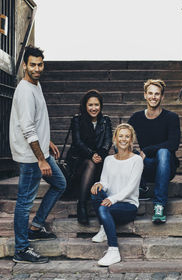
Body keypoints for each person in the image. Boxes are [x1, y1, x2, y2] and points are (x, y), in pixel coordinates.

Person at [9, 45, 66, 264]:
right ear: (25, 65)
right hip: (32, 157)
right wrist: (41, 158)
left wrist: (47, 140)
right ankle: (21, 249)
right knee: (24, 202)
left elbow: (36, 121)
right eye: (32, 64)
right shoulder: (24, 90)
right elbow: (27, 128)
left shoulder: (36, 84)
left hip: (39, 150)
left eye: (40, 64)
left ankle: (35, 226)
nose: (36, 68)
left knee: (60, 183)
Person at [128, 79, 180, 224]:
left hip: (166, 167)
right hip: (146, 167)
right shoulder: (136, 117)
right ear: (145, 95)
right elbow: (122, 137)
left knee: (163, 152)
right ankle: (140, 184)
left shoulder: (171, 117)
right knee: (125, 148)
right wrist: (136, 154)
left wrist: (146, 150)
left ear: (162, 97)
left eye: (157, 94)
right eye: (150, 93)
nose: (153, 97)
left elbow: (173, 144)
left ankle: (159, 206)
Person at [91, 123, 143, 266]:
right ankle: (104, 228)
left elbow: (130, 188)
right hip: (111, 202)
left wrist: (112, 199)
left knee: (103, 208)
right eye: (121, 136)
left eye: (127, 136)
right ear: (115, 138)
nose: (123, 139)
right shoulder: (108, 160)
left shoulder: (136, 160)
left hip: (127, 206)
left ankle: (113, 251)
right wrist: (99, 184)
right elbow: (105, 182)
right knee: (95, 190)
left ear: (131, 139)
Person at [66, 89, 112, 225]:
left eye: (96, 105)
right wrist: (92, 155)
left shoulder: (105, 121)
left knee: (104, 163)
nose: (93, 108)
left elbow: (108, 141)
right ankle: (82, 205)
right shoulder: (77, 120)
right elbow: (77, 142)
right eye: (90, 105)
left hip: (98, 161)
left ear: (101, 106)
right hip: (79, 163)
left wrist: (100, 155)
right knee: (90, 164)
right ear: (85, 106)